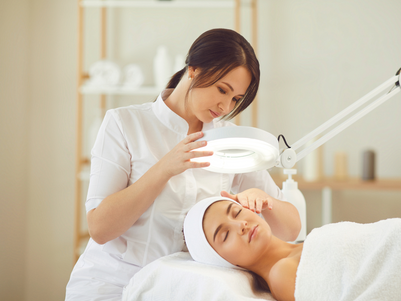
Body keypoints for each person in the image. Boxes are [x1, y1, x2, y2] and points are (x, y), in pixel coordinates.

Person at [65, 28, 301, 301]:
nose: (225, 106)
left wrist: (263, 199)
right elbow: (100, 228)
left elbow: (290, 229)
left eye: (236, 99)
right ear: (193, 69)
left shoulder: (228, 140)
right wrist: (165, 168)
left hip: (179, 289)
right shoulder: (125, 124)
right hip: (111, 284)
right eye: (222, 90)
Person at [184, 196, 401, 301]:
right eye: (224, 235)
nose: (241, 225)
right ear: (222, 260)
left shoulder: (298, 247)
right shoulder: (281, 276)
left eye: (237, 213)